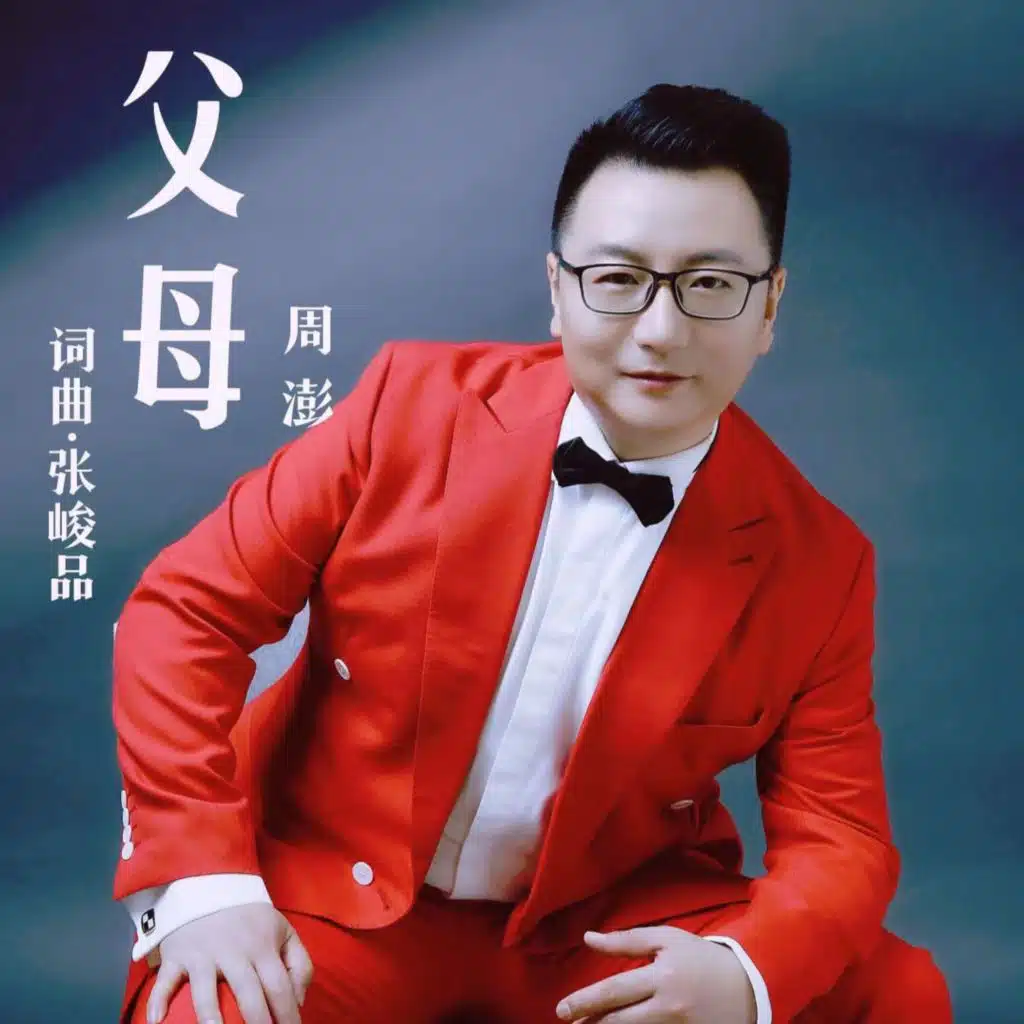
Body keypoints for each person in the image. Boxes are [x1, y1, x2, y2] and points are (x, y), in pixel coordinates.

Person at [111, 84, 952, 1023]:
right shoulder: (407, 406)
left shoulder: (820, 558)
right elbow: (185, 612)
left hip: (604, 930)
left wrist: (741, 974)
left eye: (712, 285)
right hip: (338, 894)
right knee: (209, 1010)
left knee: (898, 994)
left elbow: (840, 830)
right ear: (557, 289)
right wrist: (205, 884)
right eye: (618, 278)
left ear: (769, 307)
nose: (661, 331)